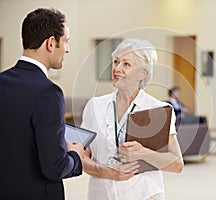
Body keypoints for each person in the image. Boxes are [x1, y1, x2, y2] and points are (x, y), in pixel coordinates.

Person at [81, 39, 184, 200]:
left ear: (143, 73)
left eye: (126, 64)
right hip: (100, 195)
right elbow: (81, 155)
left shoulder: (158, 110)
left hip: (143, 195)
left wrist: (143, 153)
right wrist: (106, 172)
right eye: (116, 62)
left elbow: (177, 164)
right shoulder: (94, 106)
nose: (117, 68)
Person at [0, 8, 84, 200]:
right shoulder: (48, 93)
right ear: (51, 43)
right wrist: (75, 156)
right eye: (66, 41)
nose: (67, 49)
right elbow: (54, 167)